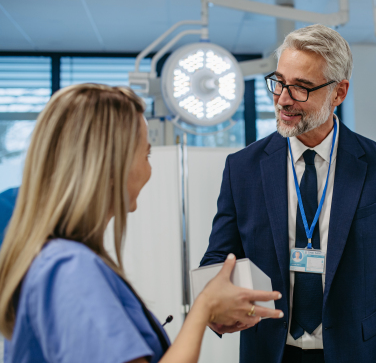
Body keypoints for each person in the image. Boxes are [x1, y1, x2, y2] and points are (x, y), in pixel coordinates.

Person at [0, 84, 283, 363]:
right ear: (111, 166)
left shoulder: (57, 260)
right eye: (146, 155)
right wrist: (204, 307)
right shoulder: (70, 269)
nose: (149, 169)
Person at [200, 24, 376, 363]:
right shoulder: (243, 168)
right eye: (279, 83)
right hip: (271, 352)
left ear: (339, 93)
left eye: (302, 88)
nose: (283, 99)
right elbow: (219, 262)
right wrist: (217, 310)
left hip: (358, 353)